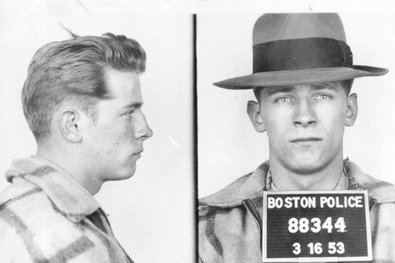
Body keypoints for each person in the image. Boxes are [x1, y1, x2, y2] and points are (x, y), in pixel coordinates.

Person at [198, 13, 395, 262]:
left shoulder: (391, 218)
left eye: (322, 95)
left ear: (350, 109)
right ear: (257, 115)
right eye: (283, 98)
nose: (304, 116)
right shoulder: (207, 231)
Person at [0, 33, 152, 262]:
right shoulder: (51, 234)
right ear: (73, 125)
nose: (146, 130)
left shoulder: (53, 214)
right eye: (128, 112)